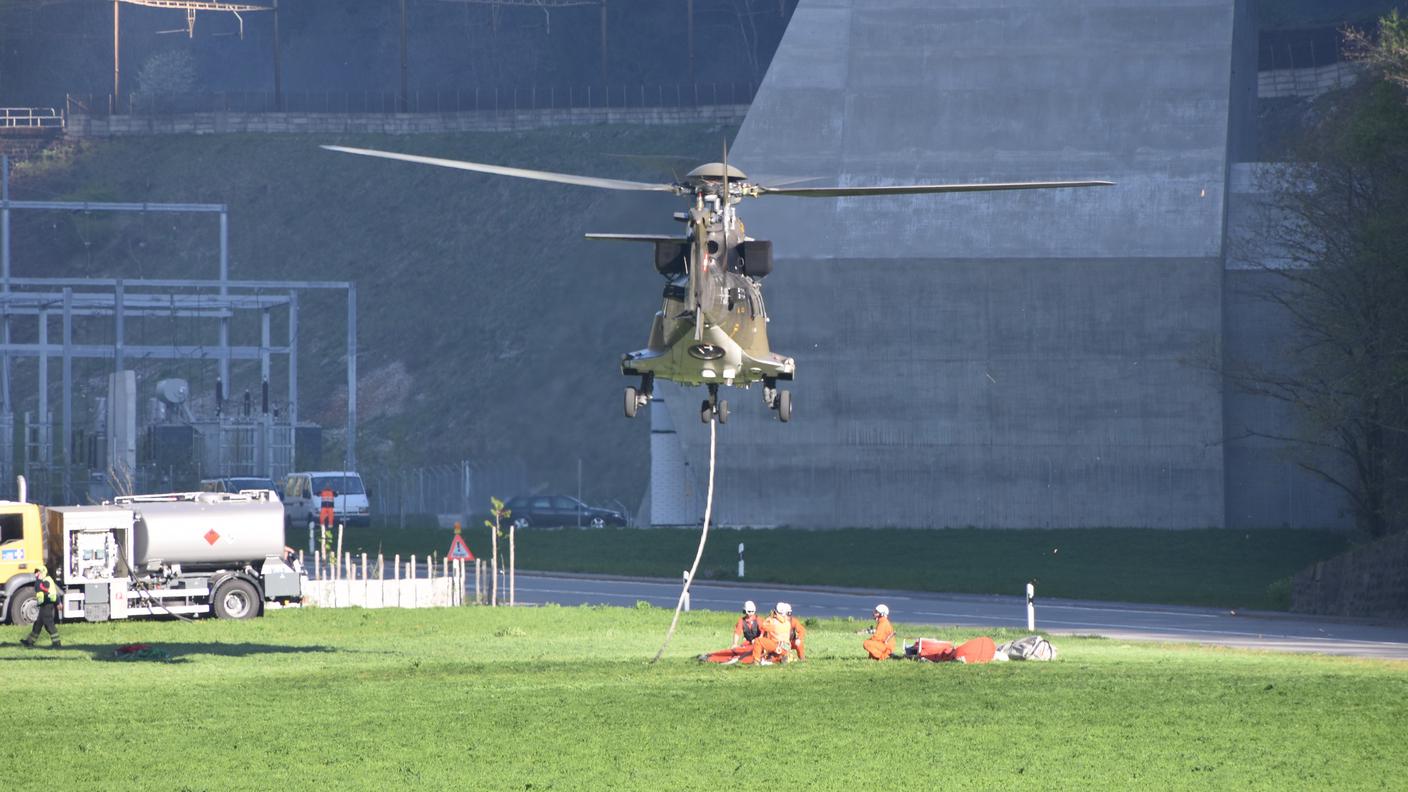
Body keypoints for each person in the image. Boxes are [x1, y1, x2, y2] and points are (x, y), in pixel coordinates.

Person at [20, 564, 61, 648]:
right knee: (38, 624)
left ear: (43, 572)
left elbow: (43, 589)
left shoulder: (46, 581)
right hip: (44, 605)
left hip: (47, 604)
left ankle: (56, 643)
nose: (36, 574)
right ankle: (29, 641)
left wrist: (58, 603)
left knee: (48, 624)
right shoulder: (44, 580)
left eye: (38, 573)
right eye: (35, 573)